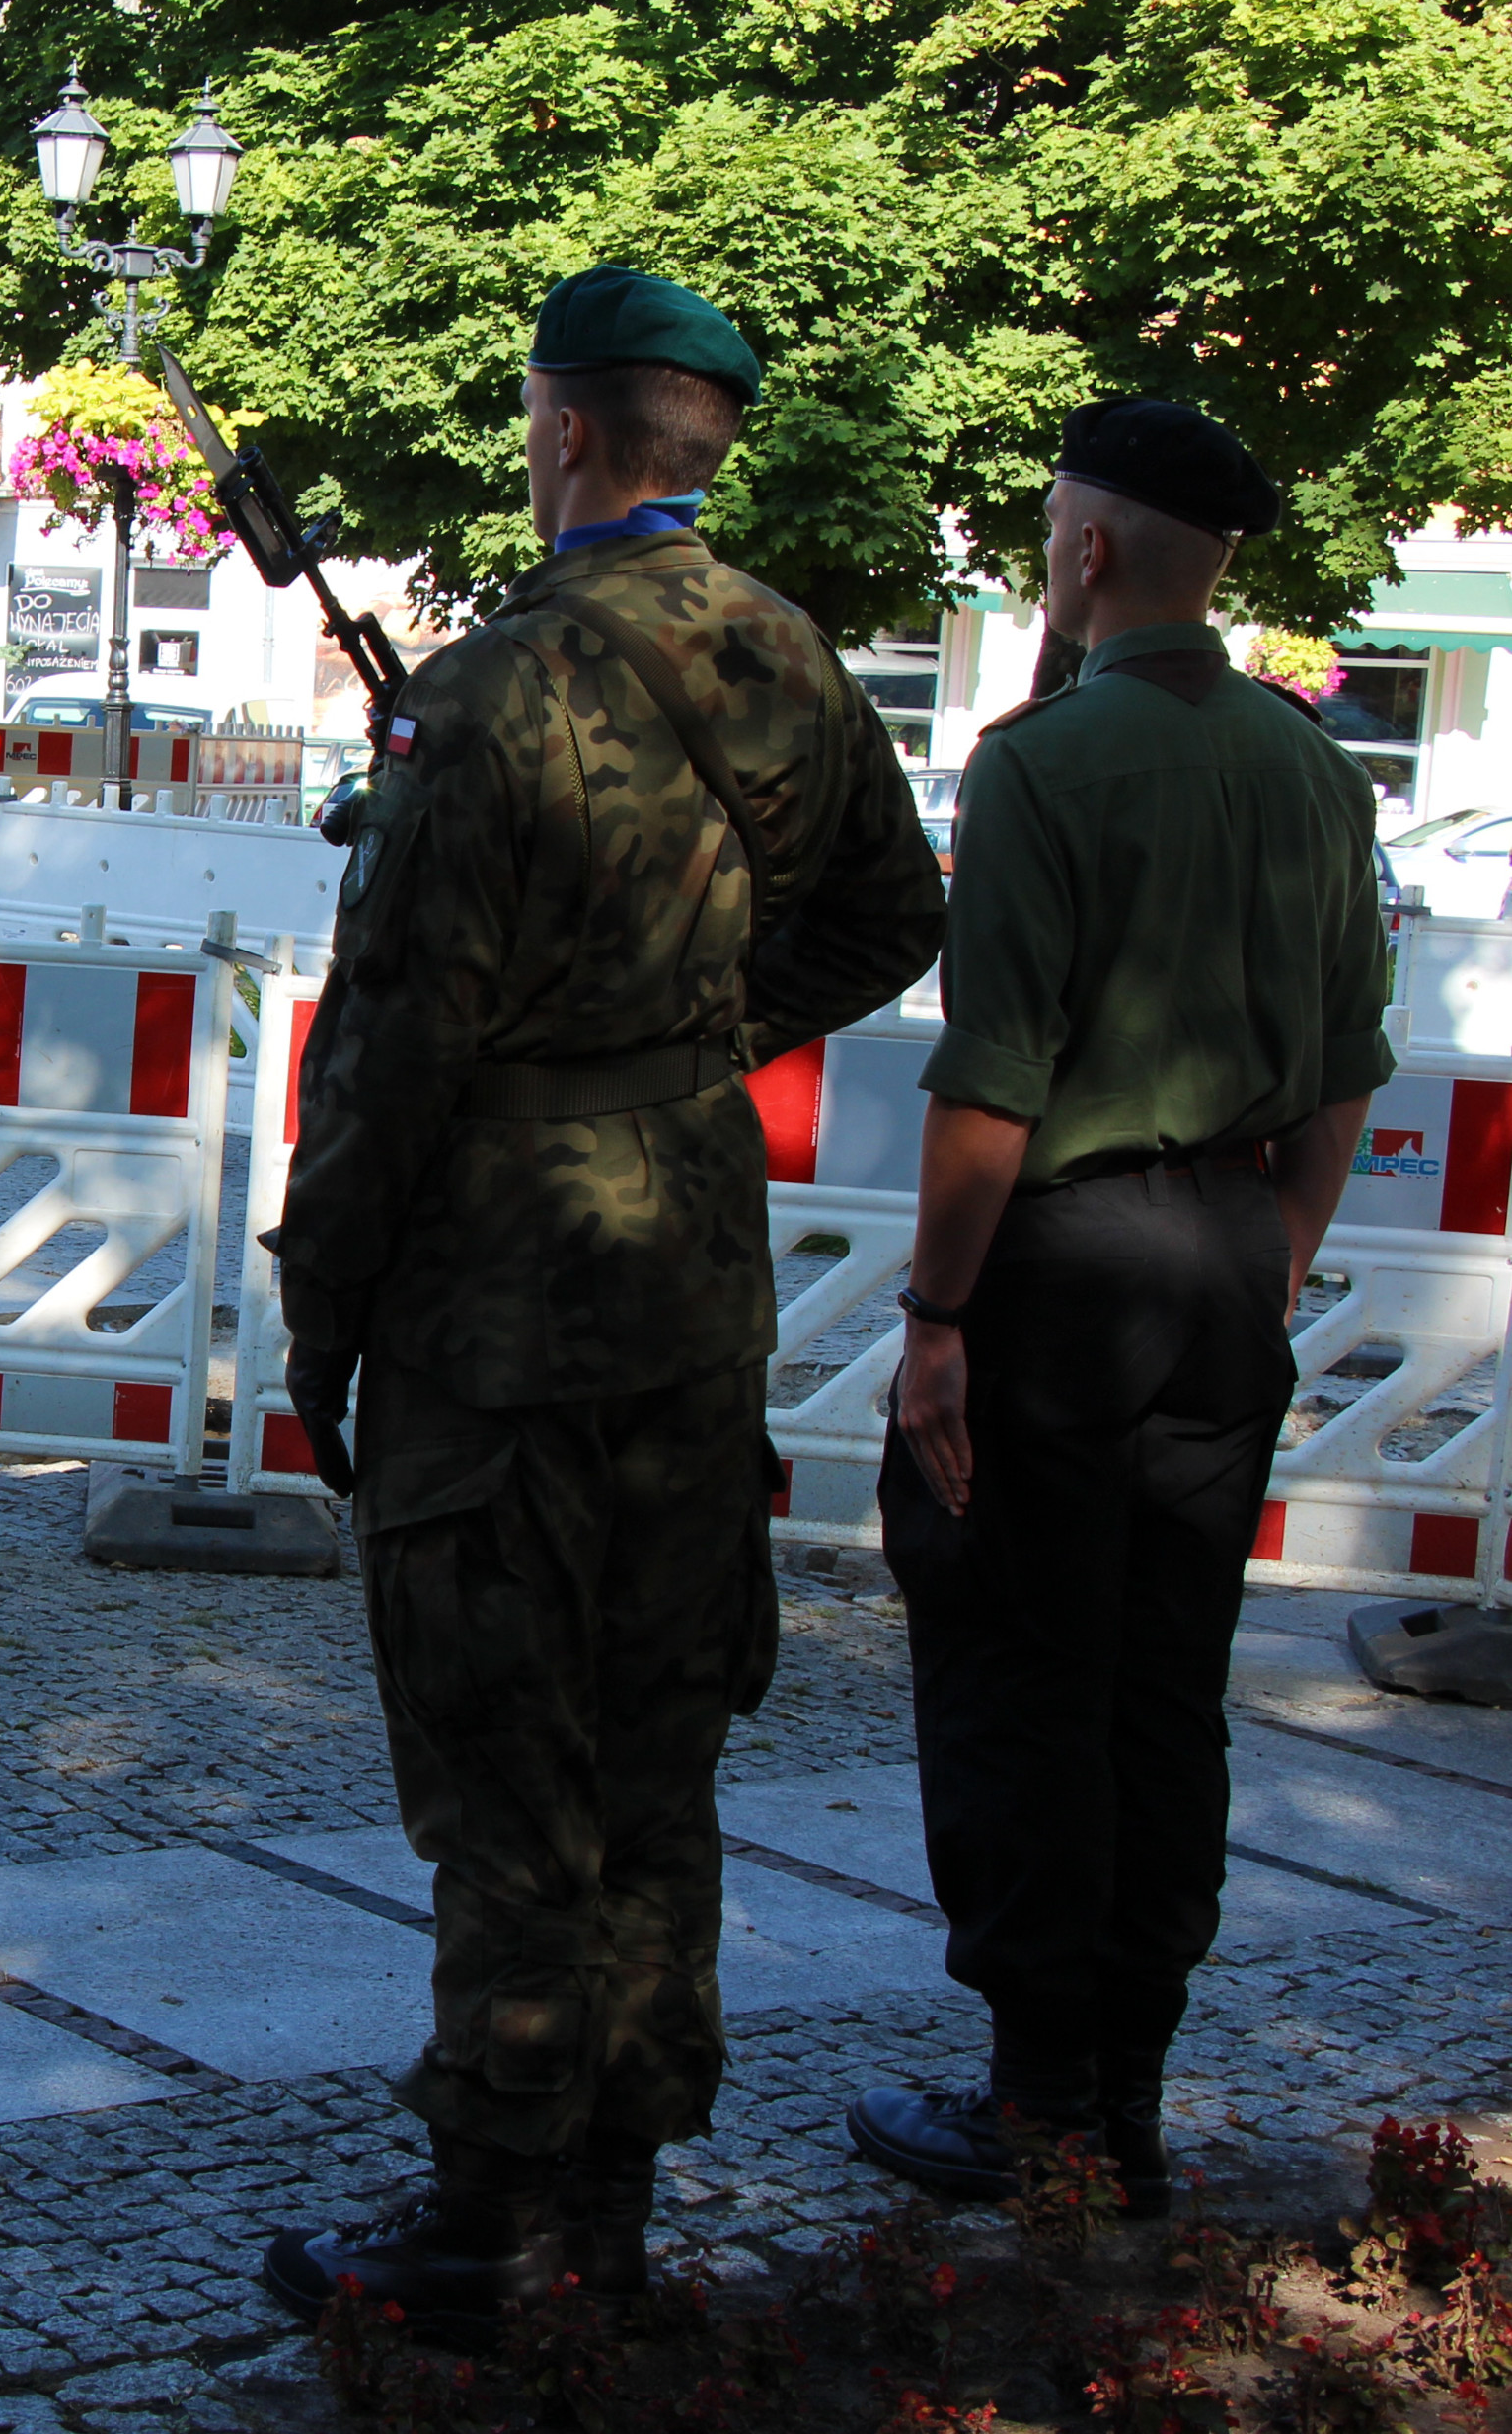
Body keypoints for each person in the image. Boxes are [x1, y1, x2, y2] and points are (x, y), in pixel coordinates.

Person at [256, 266, 945, 2335]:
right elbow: (894, 915)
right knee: (656, 1754)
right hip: (692, 1280)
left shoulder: (488, 695)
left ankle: (488, 2225)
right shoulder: (790, 658)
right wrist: (697, 1041)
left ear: (564, 429)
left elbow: (392, 1051)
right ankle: (612, 2212)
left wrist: (322, 1308)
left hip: (499, 1295)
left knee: (508, 1767)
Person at [847, 400, 1387, 2216]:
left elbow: (990, 1083)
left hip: (1059, 1275)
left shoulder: (1042, 764)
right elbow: (1341, 1073)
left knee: (1018, 1665)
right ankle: (1125, 2100)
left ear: (1084, 550)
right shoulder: (1314, 772)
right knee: (1165, 1683)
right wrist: (1274, 1248)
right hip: (1226, 1253)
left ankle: (1035, 2103)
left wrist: (936, 1318)